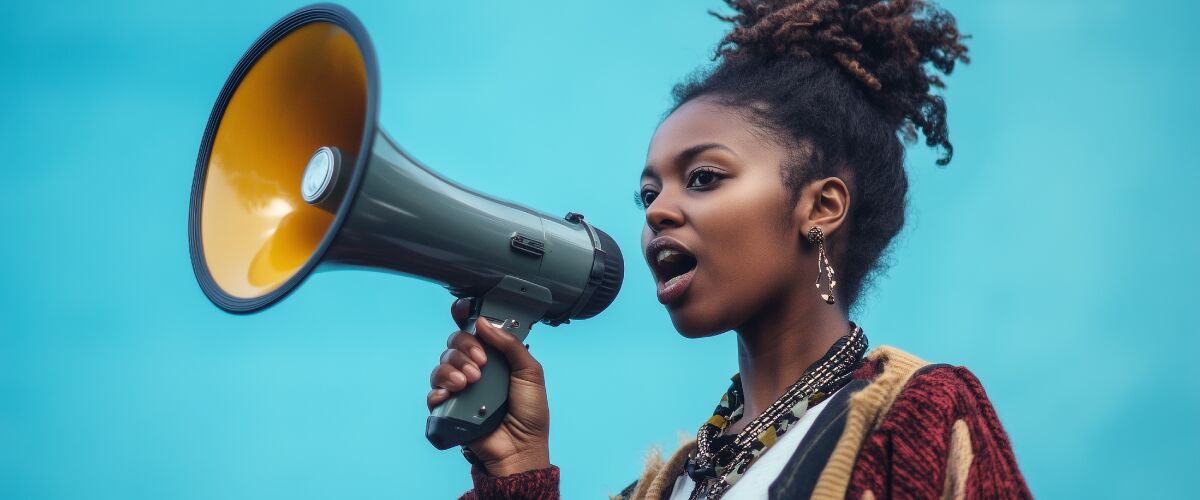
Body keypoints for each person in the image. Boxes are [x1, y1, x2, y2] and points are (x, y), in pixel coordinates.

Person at [427, 0, 1032, 498]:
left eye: (703, 177)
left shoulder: (915, 416)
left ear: (820, 208)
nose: (657, 211)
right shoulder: (661, 490)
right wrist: (516, 470)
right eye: (647, 194)